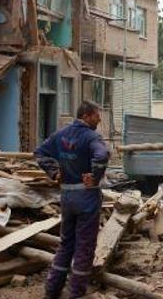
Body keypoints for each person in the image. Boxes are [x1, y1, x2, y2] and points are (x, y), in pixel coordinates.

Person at [35, 101, 110, 299]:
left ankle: (52, 290)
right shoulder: (92, 137)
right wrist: (95, 176)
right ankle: (76, 292)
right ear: (86, 116)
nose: (99, 119)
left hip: (67, 197)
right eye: (96, 115)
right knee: (84, 246)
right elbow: (103, 154)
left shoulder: (60, 135)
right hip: (87, 197)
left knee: (66, 243)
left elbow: (40, 152)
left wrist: (53, 172)